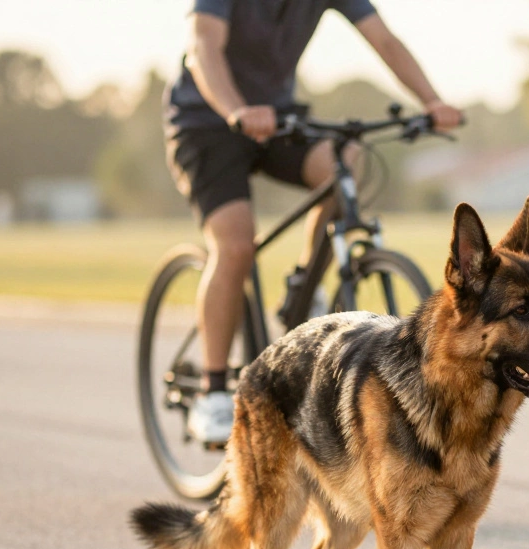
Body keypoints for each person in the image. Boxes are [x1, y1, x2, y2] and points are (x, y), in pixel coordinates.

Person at [163, 0, 463, 444]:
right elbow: (204, 45)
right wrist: (234, 111)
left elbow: (384, 40)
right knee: (237, 245)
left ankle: (302, 287)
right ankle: (212, 390)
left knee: (345, 161)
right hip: (206, 121)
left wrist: (432, 100)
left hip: (278, 119)